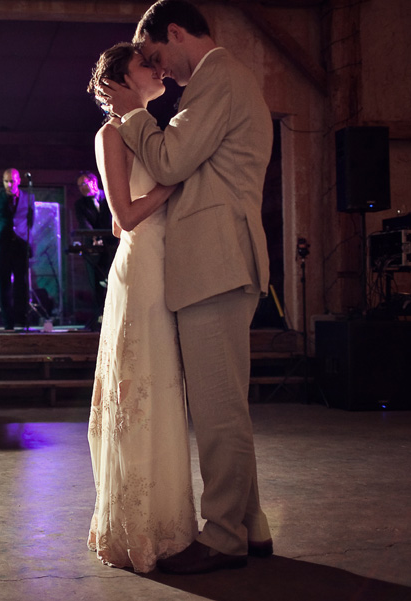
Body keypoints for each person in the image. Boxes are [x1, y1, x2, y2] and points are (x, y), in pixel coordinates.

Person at [96, 0, 274, 574]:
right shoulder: (221, 81)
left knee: (219, 409)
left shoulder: (219, 78)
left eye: (155, 56)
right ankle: (251, 526)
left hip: (216, 261)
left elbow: (171, 160)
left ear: (175, 33)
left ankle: (223, 536)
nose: (161, 70)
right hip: (213, 261)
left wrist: (129, 115)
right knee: (226, 404)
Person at [85, 42, 194, 573]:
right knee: (138, 387)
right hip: (139, 268)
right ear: (122, 81)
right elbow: (123, 217)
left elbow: (114, 218)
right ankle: (136, 528)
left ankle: (167, 522)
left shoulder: (156, 129)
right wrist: (172, 186)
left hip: (162, 264)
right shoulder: (111, 134)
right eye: (145, 66)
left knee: (162, 387)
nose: (157, 71)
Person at [0, 168, 34, 330]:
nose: (9, 184)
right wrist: (0, 235)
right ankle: (8, 321)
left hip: (20, 245)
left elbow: (31, 221)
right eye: (6, 181)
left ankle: (21, 318)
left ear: (18, 181)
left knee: (21, 283)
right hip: (2, 246)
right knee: (4, 284)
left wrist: (23, 237)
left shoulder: (28, 198)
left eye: (12, 181)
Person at [72, 171, 117, 329]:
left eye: (83, 184)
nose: (81, 188)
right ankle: (100, 319)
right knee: (96, 284)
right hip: (92, 248)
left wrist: (103, 238)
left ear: (93, 182)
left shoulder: (109, 197)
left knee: (113, 280)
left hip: (111, 245)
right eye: (79, 186)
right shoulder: (80, 204)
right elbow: (85, 223)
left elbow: (112, 219)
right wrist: (94, 238)